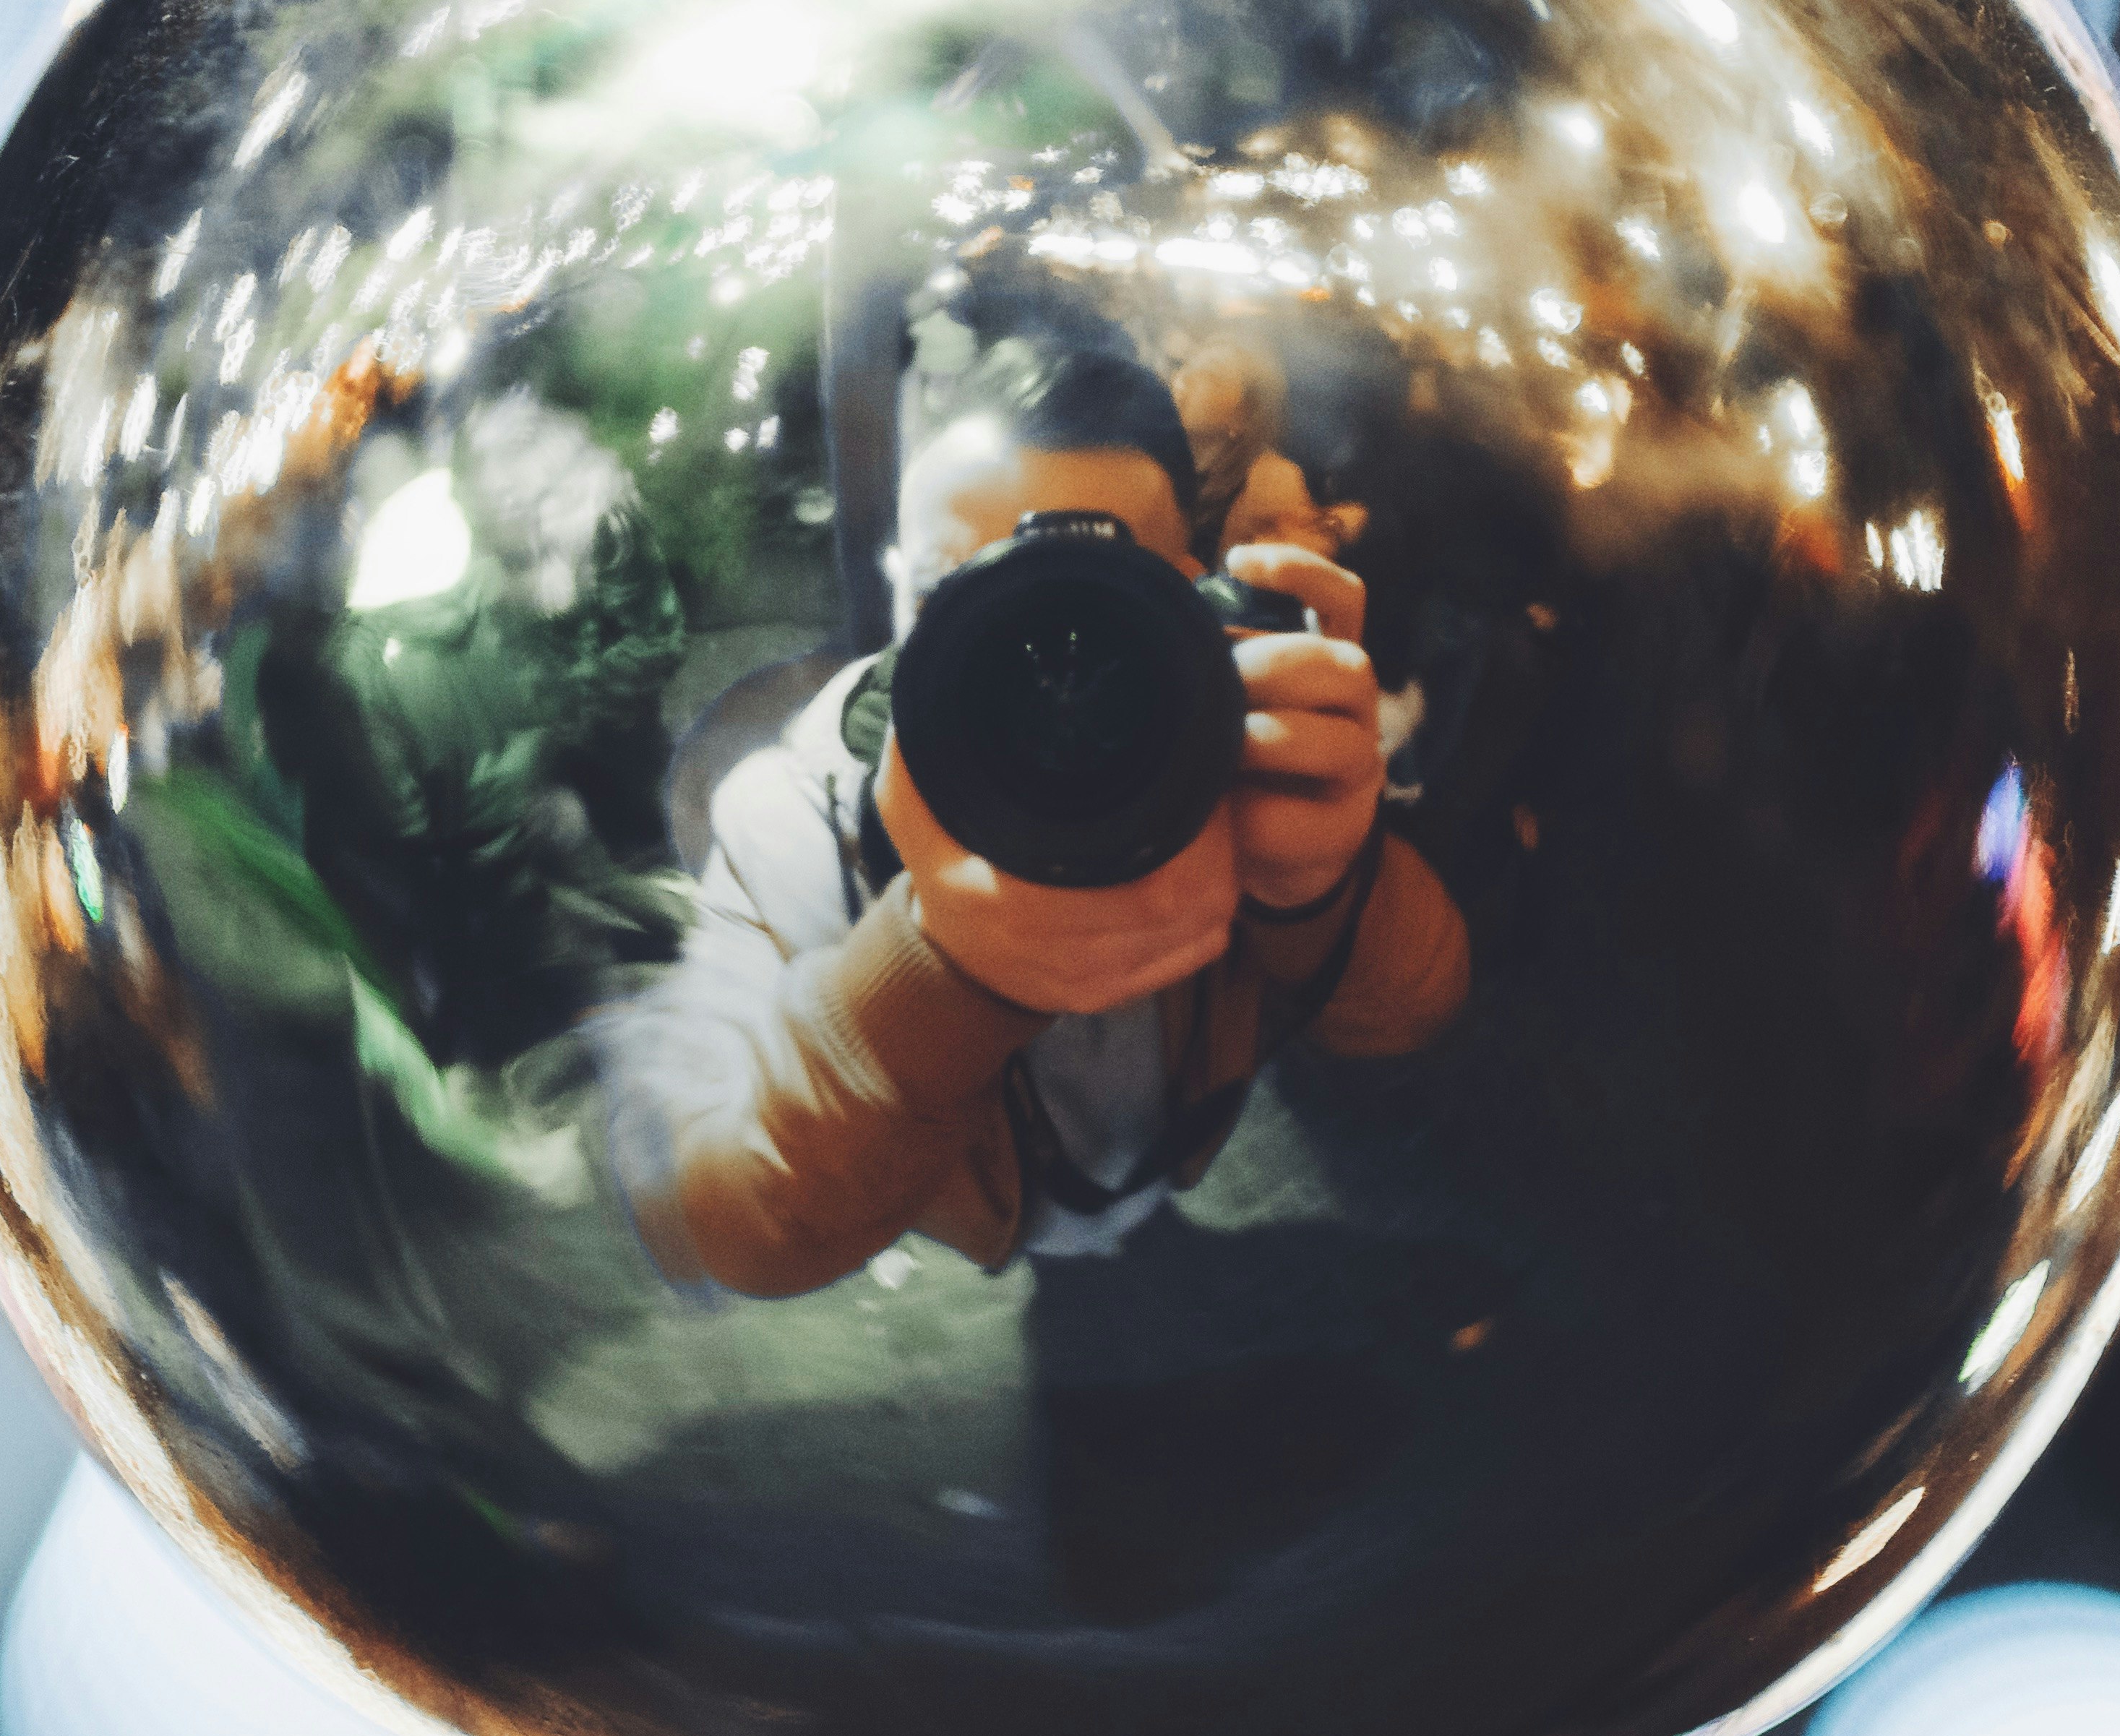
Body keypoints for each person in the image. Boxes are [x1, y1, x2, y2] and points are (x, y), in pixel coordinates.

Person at [603, 335, 1471, 1299]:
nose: (1031, 666)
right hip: (1015, 1203)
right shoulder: (802, 802)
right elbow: (722, 1219)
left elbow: (1410, 1012)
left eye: (1090, 606)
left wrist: (1329, 888)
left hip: (1125, 1172)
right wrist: (933, 977)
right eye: (961, 591)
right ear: (899, 591)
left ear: (1193, 589)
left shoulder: (1228, 746)